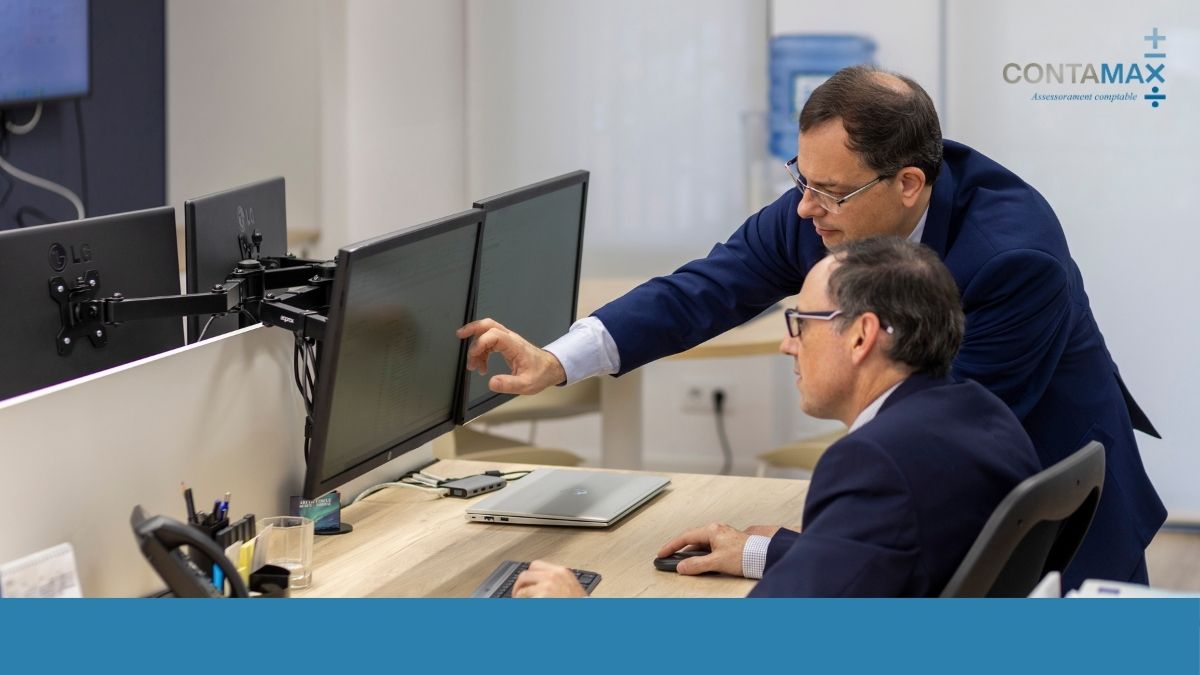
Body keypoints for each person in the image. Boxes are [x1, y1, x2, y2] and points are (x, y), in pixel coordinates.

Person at [458, 65, 1163, 588]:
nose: (804, 208)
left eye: (828, 191)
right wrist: (558, 359)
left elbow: (936, 455)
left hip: (1057, 511)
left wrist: (784, 551)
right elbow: (707, 286)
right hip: (947, 524)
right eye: (801, 178)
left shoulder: (1011, 257)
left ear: (908, 184)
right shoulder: (827, 205)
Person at [511, 238, 1041, 597]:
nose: (789, 345)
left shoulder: (874, 461)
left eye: (801, 323)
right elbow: (886, 556)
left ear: (861, 335)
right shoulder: (979, 412)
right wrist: (763, 551)